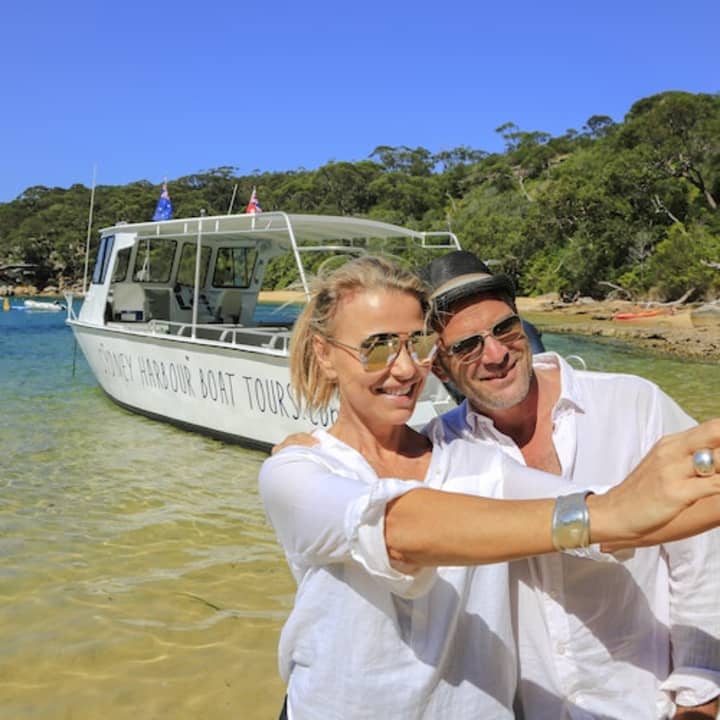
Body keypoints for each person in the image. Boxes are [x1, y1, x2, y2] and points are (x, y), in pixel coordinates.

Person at [259, 255, 720, 720]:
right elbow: (396, 530)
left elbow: (619, 516)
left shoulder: (470, 460)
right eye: (377, 348)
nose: (404, 369)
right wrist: (610, 513)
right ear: (324, 354)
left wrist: (675, 492)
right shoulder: (295, 470)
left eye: (416, 345)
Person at [421, 250, 720, 719]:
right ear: (439, 368)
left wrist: (699, 694)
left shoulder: (633, 403)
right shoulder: (438, 453)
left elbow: (703, 557)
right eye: (467, 347)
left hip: (650, 704)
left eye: (504, 329)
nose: (495, 354)